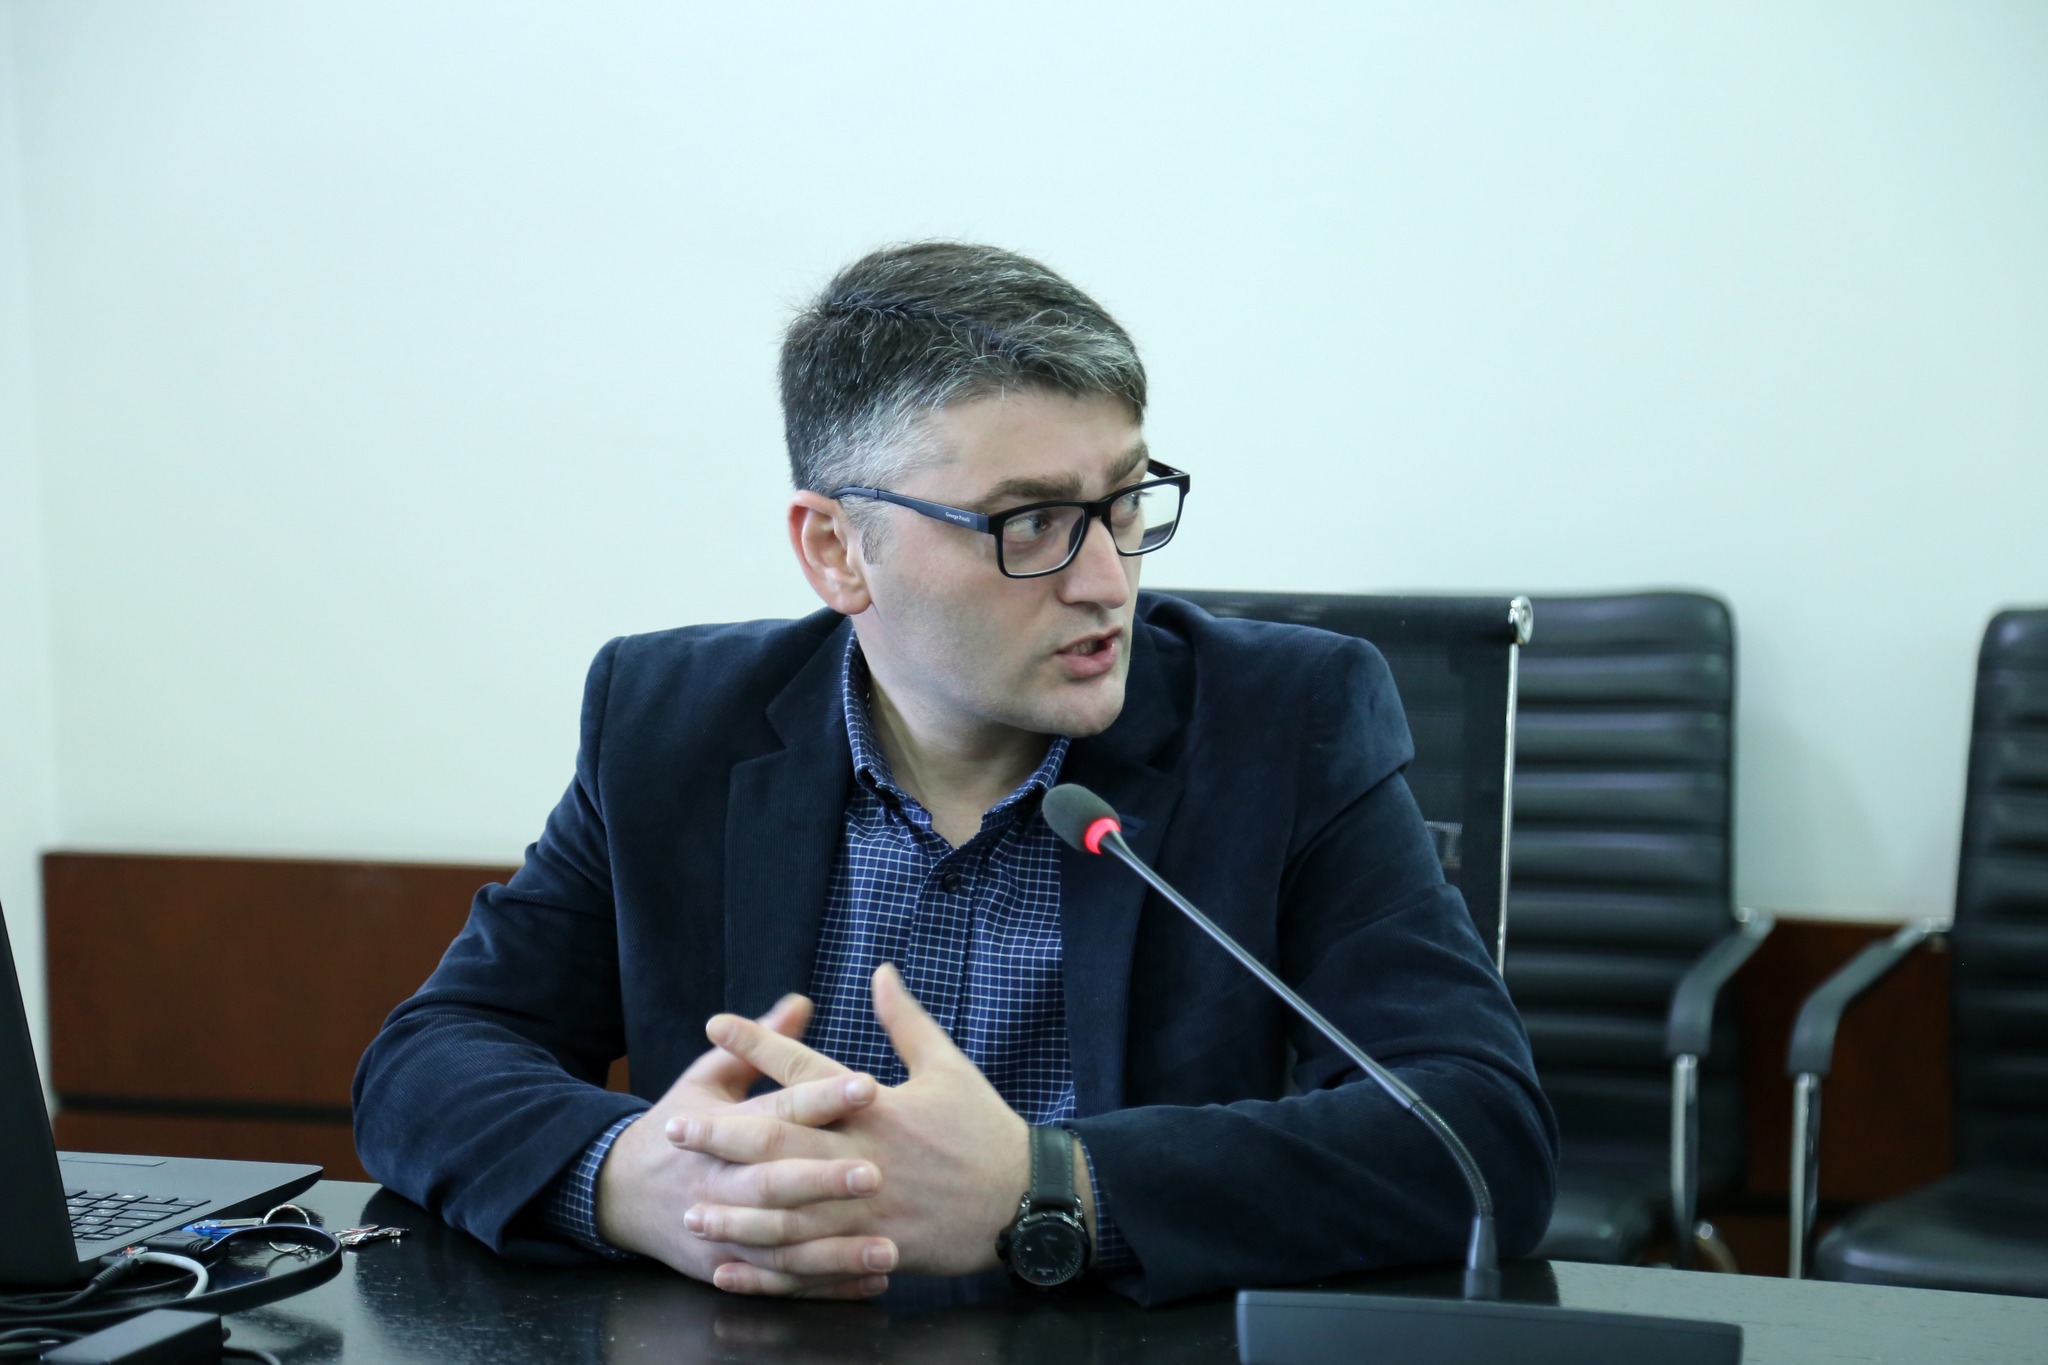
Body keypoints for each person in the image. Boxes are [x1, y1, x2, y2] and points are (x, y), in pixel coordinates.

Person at [353, 242, 1557, 1306]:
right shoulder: (672, 724)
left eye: (1123, 502)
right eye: (1027, 522)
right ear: (837, 549)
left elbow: (1478, 1133)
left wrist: (1052, 1187)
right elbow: (431, 1058)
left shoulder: (1283, 723)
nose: (1106, 581)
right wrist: (633, 1180)